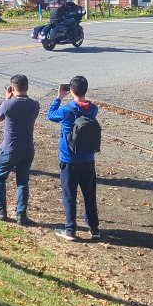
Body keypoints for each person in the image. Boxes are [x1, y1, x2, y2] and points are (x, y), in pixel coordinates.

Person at [47, 76, 101, 241]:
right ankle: (94, 228)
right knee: (89, 194)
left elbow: (50, 115)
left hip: (69, 159)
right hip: (88, 159)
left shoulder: (66, 110)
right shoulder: (93, 109)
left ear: (71, 90)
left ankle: (70, 229)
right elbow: (87, 107)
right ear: (86, 90)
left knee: (69, 195)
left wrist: (59, 97)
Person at [0, 74, 41, 226]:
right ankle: (21, 215)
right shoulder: (34, 105)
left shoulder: (8, 104)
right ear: (27, 88)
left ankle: (1, 209)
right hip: (27, 148)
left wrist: (7, 98)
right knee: (22, 181)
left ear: (12, 88)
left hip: (9, 148)